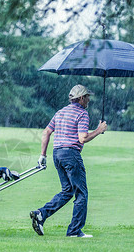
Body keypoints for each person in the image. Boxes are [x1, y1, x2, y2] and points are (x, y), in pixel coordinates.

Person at [30, 84, 107, 238]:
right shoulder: (83, 114)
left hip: (56, 154)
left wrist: (42, 155)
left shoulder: (60, 112)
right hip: (71, 154)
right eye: (87, 97)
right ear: (81, 98)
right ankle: (74, 231)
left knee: (68, 191)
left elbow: (46, 132)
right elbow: (82, 138)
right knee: (81, 193)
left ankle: (41, 214)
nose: (89, 100)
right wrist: (99, 130)